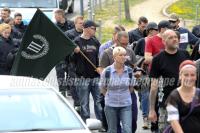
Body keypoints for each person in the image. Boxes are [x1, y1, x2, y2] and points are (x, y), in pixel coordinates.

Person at [148, 29, 190, 132]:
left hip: (185, 103)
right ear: (163, 41)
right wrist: (152, 110)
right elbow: (154, 87)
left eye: (176, 37)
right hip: (166, 104)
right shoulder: (157, 59)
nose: (174, 39)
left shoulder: (185, 54)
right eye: (170, 37)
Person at [99, 31, 137, 133]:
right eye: (123, 44)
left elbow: (132, 84)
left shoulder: (130, 54)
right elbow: (102, 86)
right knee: (112, 129)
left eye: (127, 43)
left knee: (128, 128)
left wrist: (126, 94)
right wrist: (109, 95)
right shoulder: (107, 54)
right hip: (111, 103)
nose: (126, 46)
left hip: (126, 102)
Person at [73, 20, 102, 122]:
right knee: (84, 103)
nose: (95, 30)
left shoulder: (95, 41)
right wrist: (75, 52)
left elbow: (100, 56)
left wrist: (100, 67)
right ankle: (86, 123)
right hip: (82, 78)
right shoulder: (76, 42)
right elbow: (70, 60)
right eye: (93, 28)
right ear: (86, 28)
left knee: (99, 102)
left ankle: (101, 123)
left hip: (95, 77)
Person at [165, 60, 200, 133]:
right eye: (186, 75)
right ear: (180, 76)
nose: (189, 78)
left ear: (196, 77)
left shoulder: (199, 93)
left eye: (192, 75)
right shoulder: (173, 96)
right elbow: (174, 121)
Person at [54, 9, 74, 97]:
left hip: (70, 52)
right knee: (60, 72)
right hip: (58, 51)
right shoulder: (54, 26)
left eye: (56, 16)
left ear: (61, 15)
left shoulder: (71, 24)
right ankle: (62, 90)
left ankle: (69, 88)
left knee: (70, 71)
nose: (55, 18)